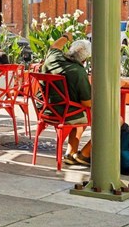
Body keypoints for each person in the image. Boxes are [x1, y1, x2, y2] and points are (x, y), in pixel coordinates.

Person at [40, 35, 93, 166]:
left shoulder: (53, 58)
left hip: (44, 110)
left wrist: (66, 36)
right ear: (85, 59)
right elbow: (87, 103)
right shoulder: (79, 72)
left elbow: (54, 46)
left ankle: (70, 153)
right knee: (112, 121)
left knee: (79, 114)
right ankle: (85, 154)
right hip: (64, 114)